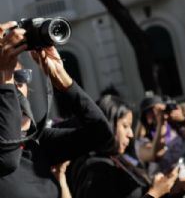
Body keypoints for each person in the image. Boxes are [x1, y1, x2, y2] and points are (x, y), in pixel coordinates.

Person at [0, 21, 113, 198]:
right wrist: (3, 78)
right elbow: (7, 160)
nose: (14, 87)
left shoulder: (37, 141)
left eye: (20, 78)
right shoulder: (7, 154)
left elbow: (101, 134)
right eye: (6, 81)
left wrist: (63, 79)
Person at [69, 95, 185, 198]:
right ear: (108, 126)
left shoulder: (115, 159)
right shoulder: (95, 169)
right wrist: (155, 193)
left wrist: (166, 187)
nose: (130, 134)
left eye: (130, 127)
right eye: (125, 126)